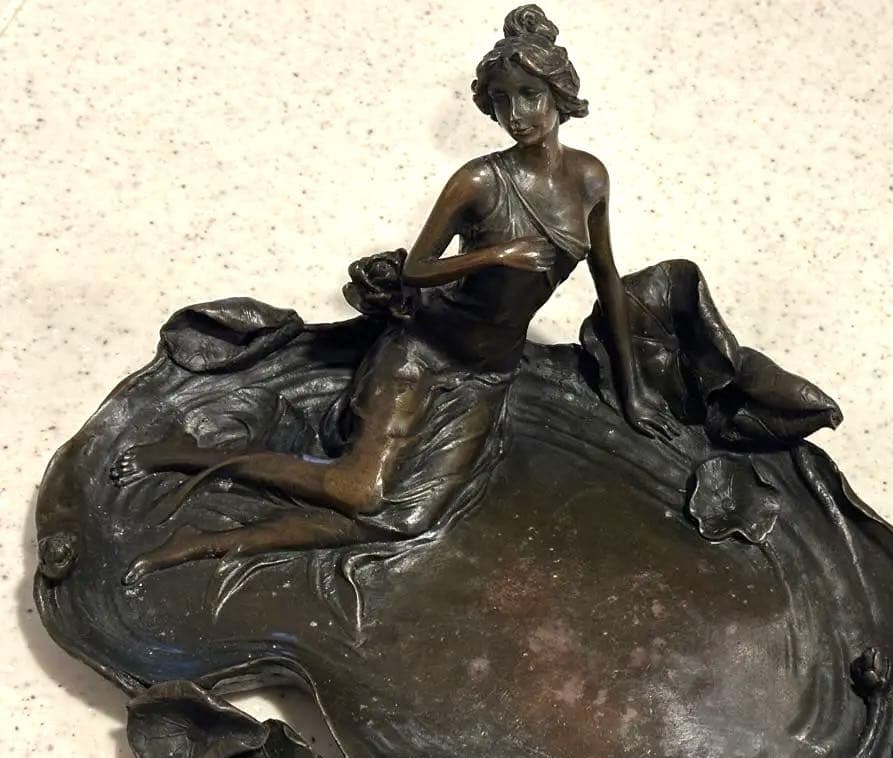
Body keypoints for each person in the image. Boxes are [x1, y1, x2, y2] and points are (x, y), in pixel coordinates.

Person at [111, 5, 678, 583]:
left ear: (559, 94)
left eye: (530, 96)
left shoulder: (589, 178)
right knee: (357, 491)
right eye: (502, 101)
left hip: (488, 373)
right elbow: (418, 269)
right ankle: (192, 458)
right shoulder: (479, 181)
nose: (516, 115)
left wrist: (632, 390)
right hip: (424, 353)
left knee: (410, 521)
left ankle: (209, 541)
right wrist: (494, 254)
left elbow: (606, 276)